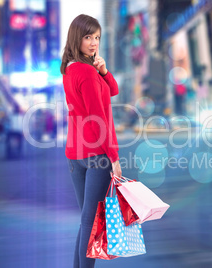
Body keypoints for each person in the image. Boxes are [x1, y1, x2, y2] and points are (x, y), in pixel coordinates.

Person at [60, 14, 122, 268]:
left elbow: (113, 90)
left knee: (86, 221)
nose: (94, 43)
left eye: (97, 37)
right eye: (88, 37)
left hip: (75, 155)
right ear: (77, 37)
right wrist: (114, 158)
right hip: (96, 155)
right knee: (92, 222)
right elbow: (98, 119)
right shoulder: (85, 72)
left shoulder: (71, 68)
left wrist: (104, 71)